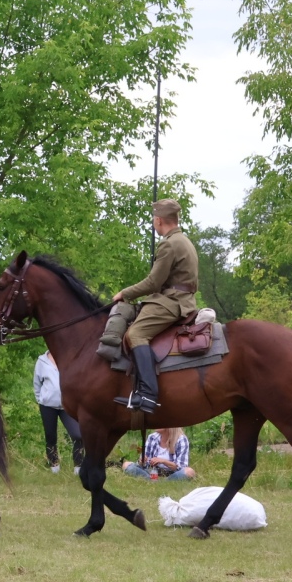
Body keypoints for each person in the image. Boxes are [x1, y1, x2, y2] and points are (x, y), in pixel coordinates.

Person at [111, 198, 199, 414]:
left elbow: (153, 283)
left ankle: (148, 394)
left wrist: (124, 293)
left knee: (136, 334)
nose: (153, 222)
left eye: (153, 218)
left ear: (159, 220)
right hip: (183, 299)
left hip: (172, 302)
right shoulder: (184, 240)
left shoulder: (168, 244)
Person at [32, 351, 85, 474]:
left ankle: (78, 467)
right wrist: (41, 399)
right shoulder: (42, 361)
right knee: (50, 436)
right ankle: (54, 467)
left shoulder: (69, 358)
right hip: (47, 406)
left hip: (67, 406)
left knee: (78, 435)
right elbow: (37, 383)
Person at [123, 427, 196, 480]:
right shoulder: (152, 437)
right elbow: (144, 465)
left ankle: (166, 482)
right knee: (126, 465)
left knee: (189, 472)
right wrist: (141, 461)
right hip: (152, 472)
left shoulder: (181, 439)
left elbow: (181, 467)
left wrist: (163, 461)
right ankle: (151, 480)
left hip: (172, 474)